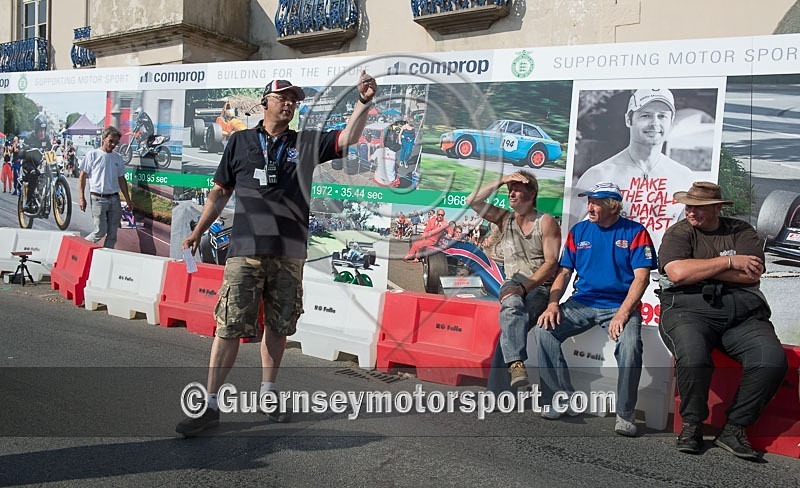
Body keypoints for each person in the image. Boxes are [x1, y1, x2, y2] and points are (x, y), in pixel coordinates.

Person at [175, 73, 378, 437]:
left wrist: (363, 102)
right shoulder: (239, 142)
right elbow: (220, 193)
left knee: (279, 326)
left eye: (294, 100)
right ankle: (208, 405)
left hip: (288, 253)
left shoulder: (305, 143)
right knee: (229, 325)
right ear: (265, 102)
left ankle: (268, 395)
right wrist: (198, 231)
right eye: (283, 97)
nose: (289, 104)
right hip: (245, 251)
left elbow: (347, 139)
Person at [657, 181, 787, 460]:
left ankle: (735, 427)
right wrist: (729, 263)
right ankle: (692, 424)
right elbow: (678, 273)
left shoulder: (741, 231)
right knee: (693, 357)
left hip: (742, 314)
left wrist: (700, 269)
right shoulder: (679, 233)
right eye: (689, 206)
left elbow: (752, 274)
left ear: (717, 208)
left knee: (771, 360)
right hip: (687, 309)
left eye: (699, 208)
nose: (691, 212)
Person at [535, 182, 657, 436]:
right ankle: (561, 397)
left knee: (631, 344)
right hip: (583, 302)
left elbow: (641, 277)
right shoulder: (579, 231)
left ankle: (625, 414)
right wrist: (553, 303)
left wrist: (623, 313)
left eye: (596, 202)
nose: (590, 206)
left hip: (620, 306)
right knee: (544, 330)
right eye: (589, 201)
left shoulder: (635, 232)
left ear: (613, 207)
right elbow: (564, 271)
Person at [467, 171, 561, 390]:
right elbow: (472, 201)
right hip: (512, 282)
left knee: (512, 325)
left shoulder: (545, 222)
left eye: (518, 188)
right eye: (510, 189)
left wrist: (524, 287)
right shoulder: (504, 218)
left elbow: (551, 264)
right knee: (511, 306)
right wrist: (502, 180)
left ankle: (499, 388)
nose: (512, 192)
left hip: (538, 287)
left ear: (532, 193)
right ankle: (516, 365)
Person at [571, 89, 695, 246]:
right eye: (645, 115)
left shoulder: (683, 178)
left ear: (671, 121)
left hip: (662, 270)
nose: (655, 123)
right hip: (614, 270)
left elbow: (689, 241)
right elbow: (568, 236)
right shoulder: (599, 175)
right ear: (629, 119)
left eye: (662, 116)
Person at [78, 126, 133, 248]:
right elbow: (82, 177)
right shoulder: (92, 155)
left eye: (116, 142)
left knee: (112, 234)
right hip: (98, 199)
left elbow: (121, 180)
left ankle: (106, 257)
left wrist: (128, 200)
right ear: (103, 139)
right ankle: (80, 247)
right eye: (111, 141)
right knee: (100, 231)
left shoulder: (118, 158)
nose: (113, 144)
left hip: (114, 199)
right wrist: (81, 197)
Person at [20, 113, 53, 213]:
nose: (42, 133)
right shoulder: (29, 137)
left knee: (50, 172)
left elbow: (50, 149)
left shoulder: (46, 138)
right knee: (34, 173)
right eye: (40, 130)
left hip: (40, 163)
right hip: (29, 164)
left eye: (43, 130)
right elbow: (22, 151)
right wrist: (25, 149)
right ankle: (29, 202)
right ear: (36, 129)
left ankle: (50, 197)